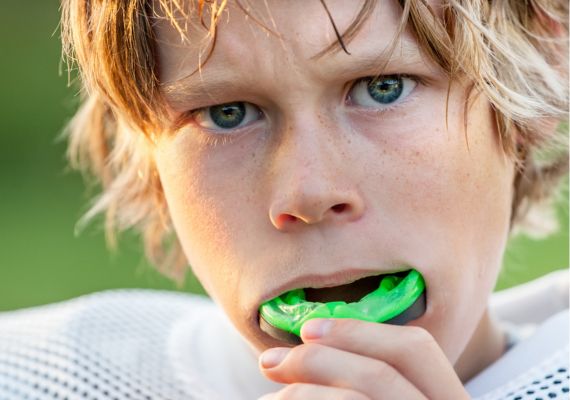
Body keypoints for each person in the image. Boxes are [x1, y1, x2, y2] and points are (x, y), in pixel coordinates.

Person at [0, 0, 568, 399]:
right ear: (148, 157)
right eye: (228, 114)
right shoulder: (43, 377)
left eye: (382, 88)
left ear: (543, 68)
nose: (309, 192)